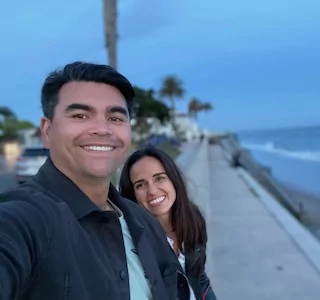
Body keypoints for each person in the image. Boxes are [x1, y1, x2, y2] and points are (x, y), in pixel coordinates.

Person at [0, 62, 190, 300]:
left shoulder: (143, 221)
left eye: (116, 118)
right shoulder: (24, 220)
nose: (102, 129)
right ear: (47, 130)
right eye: (80, 115)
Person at [119, 147, 217, 300]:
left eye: (159, 178)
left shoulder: (193, 219)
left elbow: (199, 278)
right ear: (132, 195)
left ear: (173, 180)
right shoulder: (132, 243)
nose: (152, 191)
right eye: (140, 185)